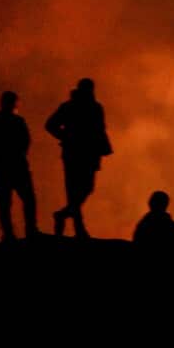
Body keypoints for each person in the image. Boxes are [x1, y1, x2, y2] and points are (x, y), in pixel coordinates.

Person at [45, 78, 112, 238]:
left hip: (84, 154)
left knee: (85, 189)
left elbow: (100, 130)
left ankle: (63, 216)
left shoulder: (90, 107)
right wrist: (65, 137)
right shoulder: (73, 107)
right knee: (75, 191)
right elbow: (50, 125)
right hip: (76, 154)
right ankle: (78, 228)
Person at [0, 91, 37, 241]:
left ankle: (8, 233)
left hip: (2, 165)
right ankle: (30, 230)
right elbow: (26, 141)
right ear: (15, 103)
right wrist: (19, 153)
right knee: (28, 199)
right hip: (18, 165)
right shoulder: (17, 121)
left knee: (5, 201)